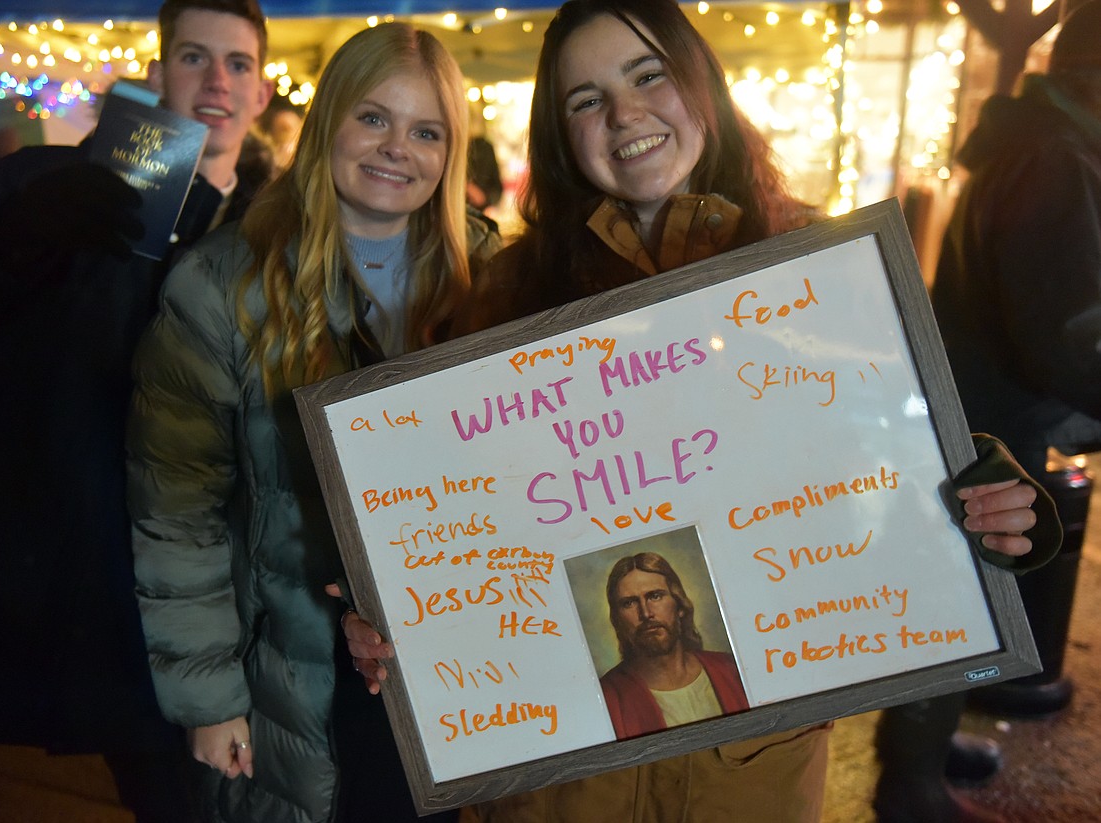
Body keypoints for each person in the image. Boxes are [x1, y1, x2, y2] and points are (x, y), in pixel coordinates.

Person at [340, 3, 1060, 821]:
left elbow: (904, 442)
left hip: (754, 766)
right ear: (559, 132)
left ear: (701, 85)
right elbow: (453, 524)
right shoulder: (506, 298)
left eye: (649, 75)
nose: (624, 113)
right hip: (563, 779)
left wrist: (992, 500)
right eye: (586, 98)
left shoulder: (823, 273)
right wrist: (395, 596)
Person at [125, 21, 502, 823]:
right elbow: (176, 508)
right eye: (374, 118)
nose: (396, 146)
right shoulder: (220, 286)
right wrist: (208, 699)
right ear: (328, 120)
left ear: (450, 151)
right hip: (293, 678)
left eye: (425, 130)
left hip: (452, 680)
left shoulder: (489, 279)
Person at [0, 1, 273, 820]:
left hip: (152, 609)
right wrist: (12, 236)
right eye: (194, 57)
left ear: (261, 91)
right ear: (157, 76)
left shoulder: (275, 235)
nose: (216, 81)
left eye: (237, 63)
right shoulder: (50, 184)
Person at [877, 4, 1101, 822]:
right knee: (956, 597)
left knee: (966, 589)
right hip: (988, 418)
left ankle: (924, 748)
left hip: (981, 407)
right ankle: (909, 781)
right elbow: (1069, 335)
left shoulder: (1038, 142)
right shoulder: (1055, 156)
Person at [601, 552, 748, 739]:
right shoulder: (608, 697)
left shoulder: (730, 669)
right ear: (617, 618)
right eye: (629, 603)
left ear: (678, 605)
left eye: (655, 596)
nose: (646, 614)